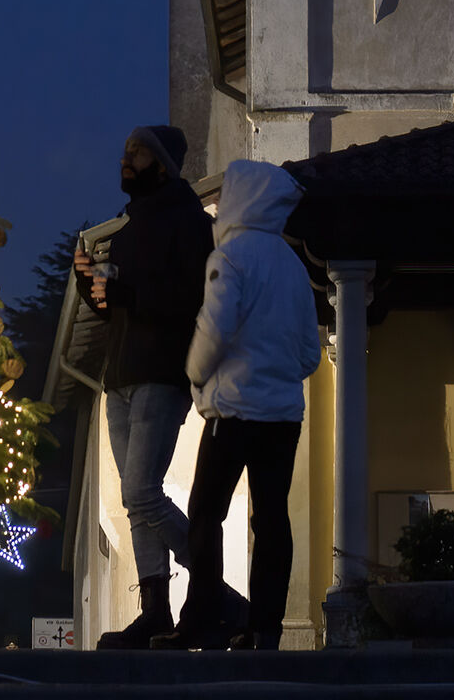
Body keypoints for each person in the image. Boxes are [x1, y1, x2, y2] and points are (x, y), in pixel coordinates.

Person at [155, 158, 321, 653]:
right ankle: (265, 628)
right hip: (284, 416)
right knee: (272, 519)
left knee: (206, 513)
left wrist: (195, 373)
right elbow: (311, 353)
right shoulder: (292, 265)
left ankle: (203, 619)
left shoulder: (230, 258)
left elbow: (214, 328)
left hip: (231, 412)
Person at [72, 124, 216, 648]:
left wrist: (125, 292)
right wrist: (92, 289)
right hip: (123, 375)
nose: (126, 161)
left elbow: (188, 299)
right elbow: (120, 307)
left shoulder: (190, 223)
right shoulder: (129, 230)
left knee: (142, 492)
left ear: (162, 164)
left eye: (136, 153)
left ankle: (211, 585)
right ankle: (156, 608)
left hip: (161, 373)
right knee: (138, 502)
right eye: (125, 151)